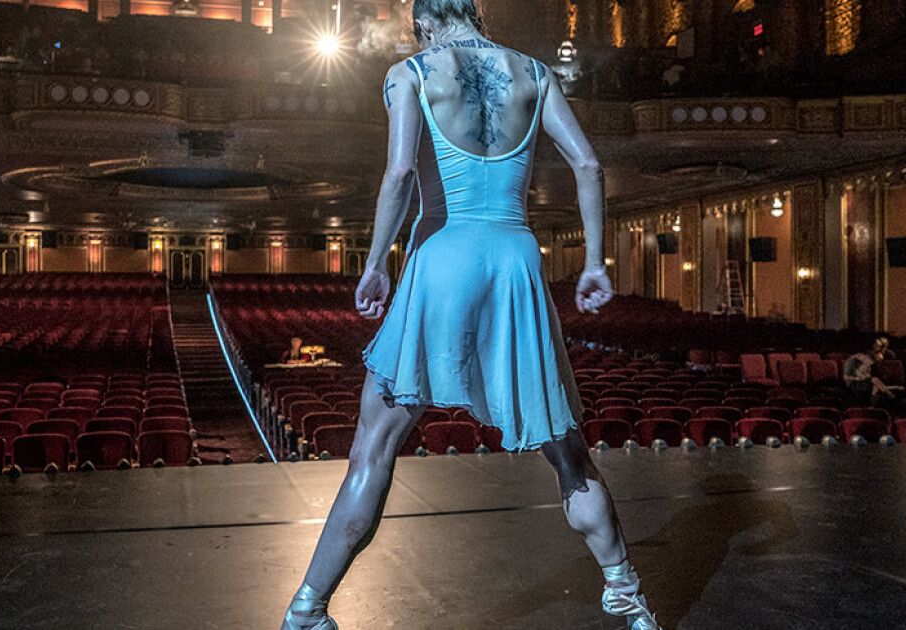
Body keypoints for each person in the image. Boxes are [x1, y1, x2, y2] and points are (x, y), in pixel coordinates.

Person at [280, 2, 660, 628]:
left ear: (423, 22)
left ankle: (307, 608)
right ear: (474, 12)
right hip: (515, 261)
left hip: (444, 256)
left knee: (373, 448)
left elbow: (401, 173)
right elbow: (589, 165)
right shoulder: (535, 73)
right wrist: (594, 261)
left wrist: (374, 263)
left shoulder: (412, 72)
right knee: (567, 450)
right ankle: (627, 593)